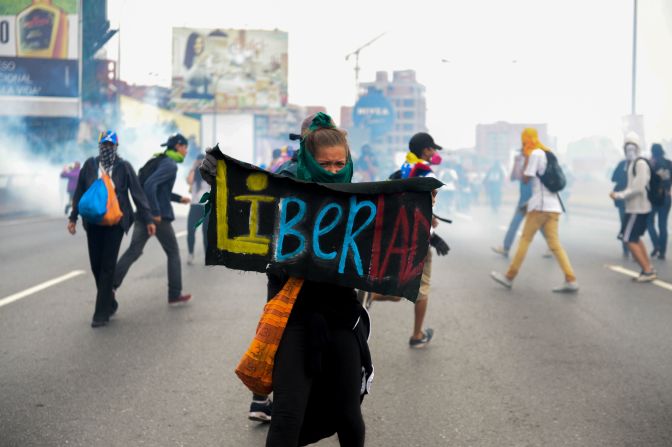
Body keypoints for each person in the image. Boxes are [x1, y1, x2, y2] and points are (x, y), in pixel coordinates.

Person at [201, 113, 371, 446]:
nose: (333, 170)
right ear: (308, 159)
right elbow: (253, 215)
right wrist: (222, 184)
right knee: (287, 417)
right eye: (326, 163)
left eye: (340, 164)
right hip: (294, 317)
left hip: (342, 318)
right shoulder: (286, 193)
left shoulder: (360, 199)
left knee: (348, 413)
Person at [67, 131, 156, 328]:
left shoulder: (124, 167)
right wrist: (73, 217)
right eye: (104, 144)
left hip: (116, 223)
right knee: (96, 266)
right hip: (93, 223)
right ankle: (110, 301)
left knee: (107, 266)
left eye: (110, 145)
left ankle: (101, 314)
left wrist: (148, 219)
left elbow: (138, 194)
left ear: (116, 146)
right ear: (99, 145)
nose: (107, 148)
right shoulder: (90, 165)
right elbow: (79, 192)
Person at [370, 132, 445, 348]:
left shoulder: (405, 166)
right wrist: (433, 234)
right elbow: (421, 207)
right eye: (432, 149)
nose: (435, 153)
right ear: (425, 150)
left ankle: (370, 296)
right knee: (422, 288)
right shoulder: (425, 171)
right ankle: (417, 335)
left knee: (397, 291)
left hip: (399, 235)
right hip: (417, 239)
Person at [490, 128, 579, 293]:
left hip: (539, 206)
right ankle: (571, 279)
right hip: (554, 206)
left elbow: (525, 178)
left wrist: (524, 161)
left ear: (525, 140)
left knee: (525, 240)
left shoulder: (535, 154)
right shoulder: (548, 153)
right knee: (555, 244)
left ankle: (509, 277)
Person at [113, 133, 192, 304]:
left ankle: (110, 287)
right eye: (185, 147)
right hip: (158, 217)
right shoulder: (169, 165)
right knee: (173, 252)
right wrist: (155, 213)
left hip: (143, 213)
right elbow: (150, 186)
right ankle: (174, 293)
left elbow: (156, 189)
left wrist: (179, 198)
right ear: (178, 146)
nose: (186, 151)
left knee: (134, 251)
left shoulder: (159, 160)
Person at [609, 134, 656, 281]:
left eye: (632, 147)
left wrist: (619, 195)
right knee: (634, 238)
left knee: (628, 239)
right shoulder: (632, 163)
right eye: (626, 147)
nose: (629, 150)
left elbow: (638, 188)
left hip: (638, 208)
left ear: (637, 147)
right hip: (635, 207)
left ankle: (647, 271)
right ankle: (647, 267)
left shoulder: (640, 163)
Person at [647, 143, 671, 260]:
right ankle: (662, 252)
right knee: (663, 225)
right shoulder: (669, 163)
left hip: (654, 197)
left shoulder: (651, 163)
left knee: (649, 221)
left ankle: (656, 244)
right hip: (666, 196)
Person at [186, 153, 210, 265]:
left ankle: (207, 255)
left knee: (206, 232)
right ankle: (190, 253)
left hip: (207, 207)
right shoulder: (194, 172)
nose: (201, 163)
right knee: (191, 231)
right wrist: (193, 167)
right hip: (195, 206)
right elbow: (189, 181)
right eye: (199, 161)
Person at [611, 156, 630, 257]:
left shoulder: (622, 164)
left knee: (625, 223)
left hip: (624, 198)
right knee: (629, 223)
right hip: (630, 199)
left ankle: (627, 248)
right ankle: (629, 247)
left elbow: (614, 178)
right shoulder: (639, 163)